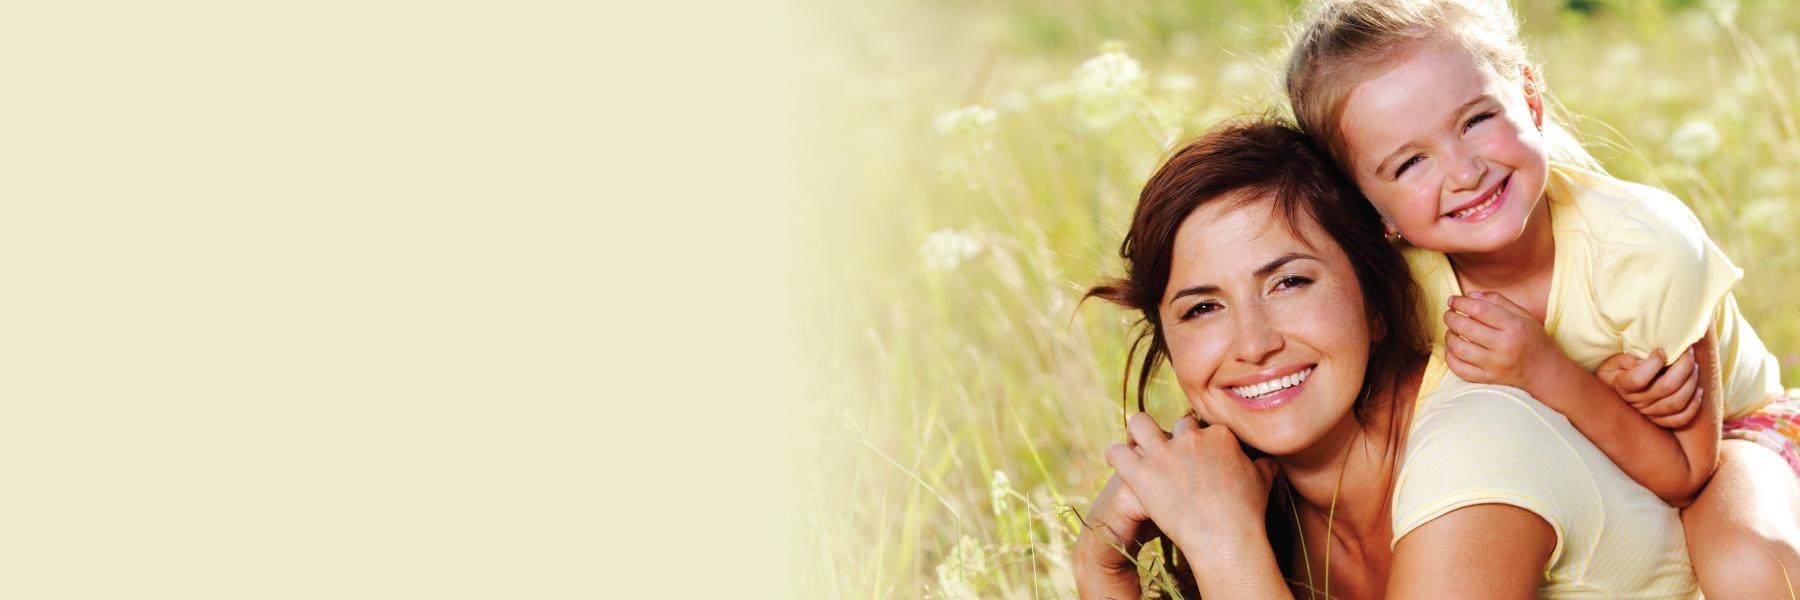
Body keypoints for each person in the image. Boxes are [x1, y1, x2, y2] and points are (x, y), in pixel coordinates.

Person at [1285, 0, 1800, 595]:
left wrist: (1546, 370)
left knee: (1743, 562)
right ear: (1369, 208)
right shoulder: (1398, 287)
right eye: (1410, 163)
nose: (1464, 172)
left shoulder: (1641, 246)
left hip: (1734, 437)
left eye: (1475, 121)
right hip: (1587, 456)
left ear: (1530, 100)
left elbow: (1686, 473)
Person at [1073, 118, 1698, 598]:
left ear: (1376, 300)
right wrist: (1102, 565)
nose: (1253, 344)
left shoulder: (1478, 446)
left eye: (1290, 282)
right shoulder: (1262, 495)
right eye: (1203, 308)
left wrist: (1225, 546)